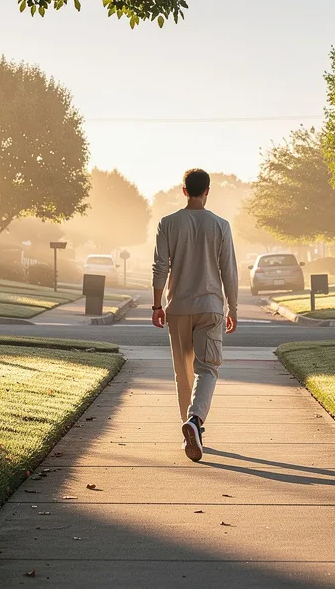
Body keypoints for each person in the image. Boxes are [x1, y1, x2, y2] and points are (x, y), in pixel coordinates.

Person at [151, 168, 239, 462]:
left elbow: (160, 267)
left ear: (184, 190)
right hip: (211, 307)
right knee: (208, 369)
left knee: (183, 373)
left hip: (178, 308)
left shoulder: (168, 224)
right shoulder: (221, 226)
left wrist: (156, 305)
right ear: (207, 191)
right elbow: (229, 271)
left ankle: (188, 429)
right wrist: (233, 308)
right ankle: (196, 422)